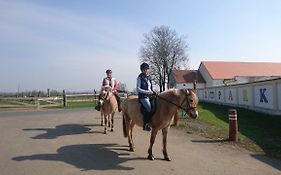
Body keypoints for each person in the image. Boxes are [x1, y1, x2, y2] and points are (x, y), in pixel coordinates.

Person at [136, 62, 157, 131]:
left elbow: (150, 88)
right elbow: (138, 89)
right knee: (149, 108)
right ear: (141, 70)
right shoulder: (139, 78)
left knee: (156, 105)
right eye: (144, 69)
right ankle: (146, 124)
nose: (145, 70)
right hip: (143, 96)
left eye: (147, 69)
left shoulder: (149, 78)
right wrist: (148, 92)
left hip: (150, 95)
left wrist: (153, 91)